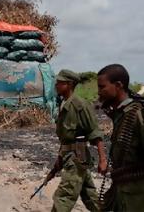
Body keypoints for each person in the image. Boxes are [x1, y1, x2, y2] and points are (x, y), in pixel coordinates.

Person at [97, 64, 144, 212]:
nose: (99, 92)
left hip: (139, 199)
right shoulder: (122, 113)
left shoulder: (138, 114)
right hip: (122, 192)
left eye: (102, 87)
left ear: (118, 85)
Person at [51, 69, 107, 212]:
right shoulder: (64, 104)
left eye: (59, 83)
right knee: (88, 194)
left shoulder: (80, 105)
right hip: (70, 155)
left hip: (77, 156)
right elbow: (66, 138)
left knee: (64, 197)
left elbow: (95, 133)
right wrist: (59, 158)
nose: (56, 85)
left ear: (69, 84)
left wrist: (102, 159)